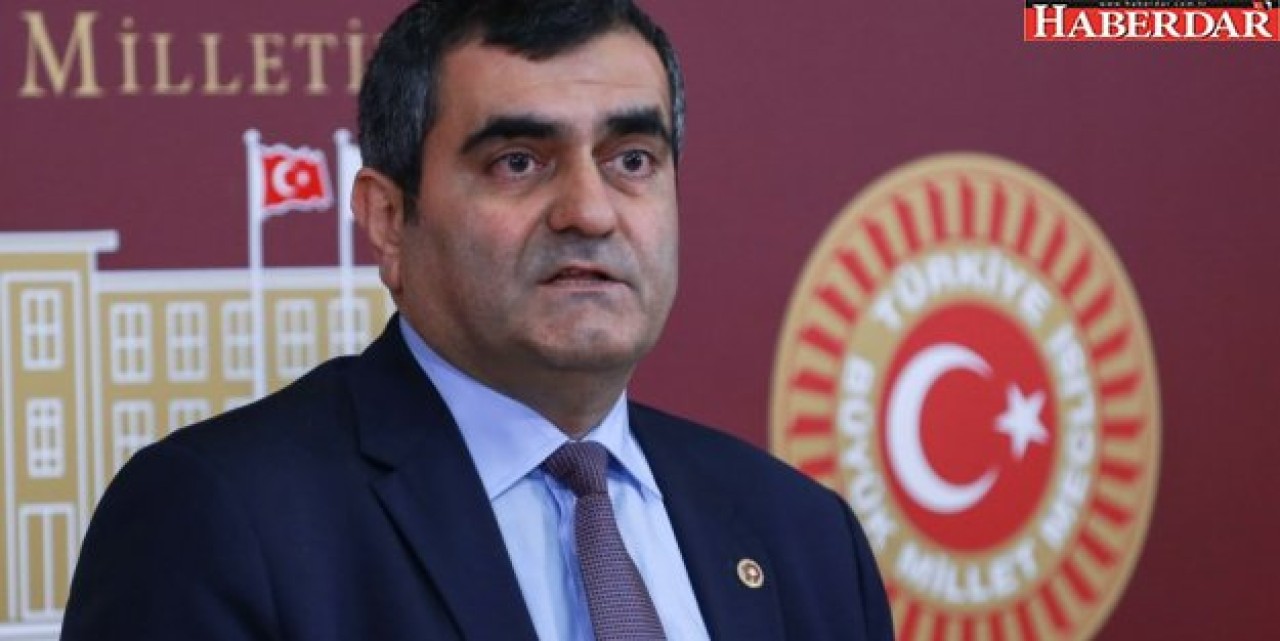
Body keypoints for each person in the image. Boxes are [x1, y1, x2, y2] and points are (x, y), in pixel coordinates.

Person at [61, 1, 893, 639]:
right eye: (518, 162)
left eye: (632, 160)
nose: (590, 210)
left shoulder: (802, 534)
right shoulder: (218, 521)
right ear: (390, 219)